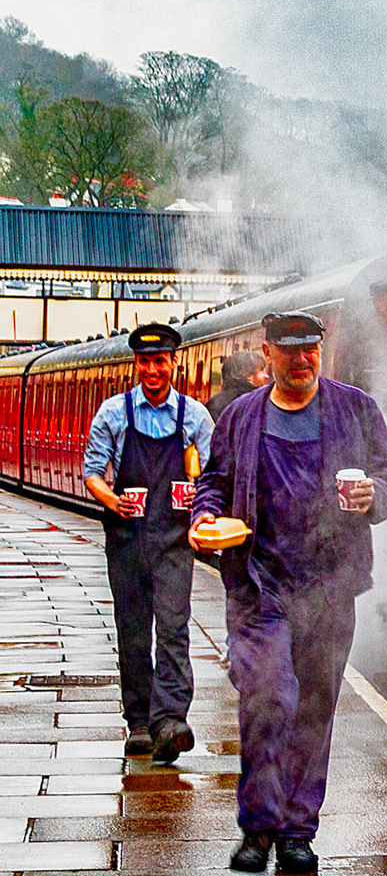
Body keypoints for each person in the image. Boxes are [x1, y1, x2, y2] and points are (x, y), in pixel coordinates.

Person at [190, 311, 387, 874]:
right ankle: (258, 828)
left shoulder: (356, 409)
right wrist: (206, 516)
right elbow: (212, 481)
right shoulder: (240, 417)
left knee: (314, 708)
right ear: (268, 355)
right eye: (289, 352)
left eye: (310, 350)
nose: (301, 360)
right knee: (267, 695)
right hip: (260, 585)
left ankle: (296, 831)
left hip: (330, 586)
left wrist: (372, 497)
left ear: (320, 351)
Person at [81, 322, 216, 763]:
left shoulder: (194, 417)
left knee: (174, 627)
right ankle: (139, 721)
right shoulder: (113, 413)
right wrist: (111, 499)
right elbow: (92, 472)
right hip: (126, 539)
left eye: (160, 361)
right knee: (134, 631)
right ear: (135, 364)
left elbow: (212, 474)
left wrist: (202, 497)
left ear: (174, 363)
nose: (152, 369)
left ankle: (171, 720)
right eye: (145, 361)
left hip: (175, 539)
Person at [207, 351, 269, 420]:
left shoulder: (212, 404)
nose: (266, 376)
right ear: (247, 374)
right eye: (261, 370)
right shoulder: (257, 404)